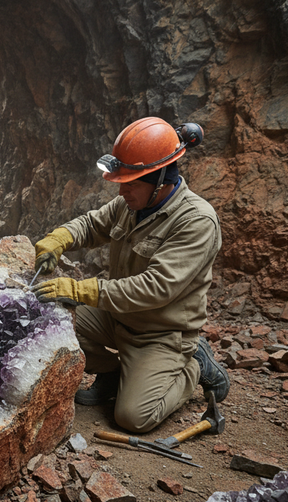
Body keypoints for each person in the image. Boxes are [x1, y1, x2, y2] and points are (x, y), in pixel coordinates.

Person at [31, 116, 229, 434]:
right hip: (117, 317)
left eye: (131, 182)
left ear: (162, 179)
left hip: (159, 332)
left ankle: (194, 365)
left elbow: (155, 288)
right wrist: (61, 238)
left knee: (133, 417)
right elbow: (93, 224)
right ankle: (112, 374)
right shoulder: (134, 202)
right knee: (48, 316)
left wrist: (81, 290)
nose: (122, 190)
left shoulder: (197, 221)